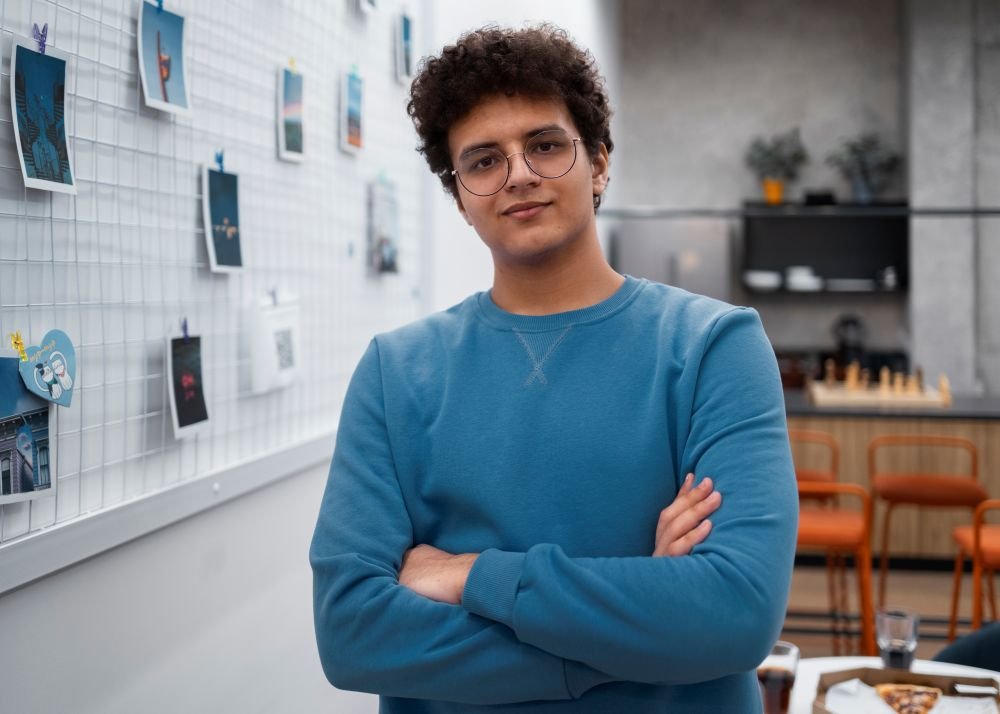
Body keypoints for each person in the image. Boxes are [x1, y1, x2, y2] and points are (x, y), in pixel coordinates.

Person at [310, 24, 798, 713]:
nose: (518, 174)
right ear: (459, 197)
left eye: (544, 145)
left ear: (598, 163)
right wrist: (636, 632)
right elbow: (354, 635)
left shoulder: (714, 347)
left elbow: (736, 614)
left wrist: (470, 575)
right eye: (483, 160)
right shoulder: (397, 373)